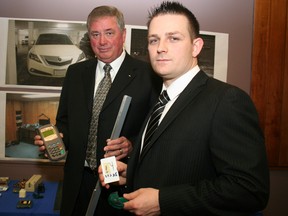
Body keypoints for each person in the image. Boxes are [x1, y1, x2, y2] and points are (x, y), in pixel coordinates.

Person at [99, 1, 270, 216]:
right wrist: (132, 174)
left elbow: (250, 190)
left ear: (196, 46)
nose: (161, 47)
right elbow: (175, 166)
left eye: (174, 38)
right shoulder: (161, 100)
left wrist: (164, 201)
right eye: (154, 40)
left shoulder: (227, 100)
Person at [34, 5, 161, 216]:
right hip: (77, 181)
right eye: (95, 34)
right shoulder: (75, 73)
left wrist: (131, 145)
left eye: (109, 33)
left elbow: (157, 131)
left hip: (121, 184)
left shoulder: (148, 75)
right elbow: (64, 123)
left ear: (123, 35)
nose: (102, 42)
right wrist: (55, 141)